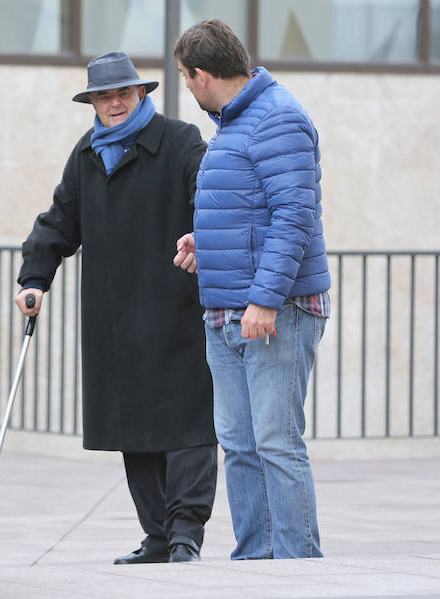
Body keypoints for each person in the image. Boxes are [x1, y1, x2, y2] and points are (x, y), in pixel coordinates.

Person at [15, 51, 217, 564]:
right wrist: (34, 277)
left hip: (175, 310)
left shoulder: (180, 141)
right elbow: (59, 221)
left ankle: (185, 534)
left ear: (141, 94)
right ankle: (157, 537)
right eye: (103, 97)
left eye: (122, 93)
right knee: (136, 430)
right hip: (115, 318)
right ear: (92, 104)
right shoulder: (87, 153)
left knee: (188, 425)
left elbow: (210, 198)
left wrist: (202, 234)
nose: (114, 103)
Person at [173, 19, 331, 559]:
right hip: (226, 313)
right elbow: (254, 210)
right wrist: (208, 242)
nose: (187, 89)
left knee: (276, 444)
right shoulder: (235, 122)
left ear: (201, 73)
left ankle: (295, 568)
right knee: (240, 447)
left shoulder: (277, 117)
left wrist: (264, 299)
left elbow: (295, 216)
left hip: (275, 312)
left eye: (184, 78)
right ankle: (256, 565)